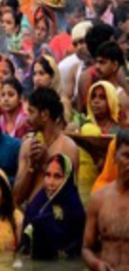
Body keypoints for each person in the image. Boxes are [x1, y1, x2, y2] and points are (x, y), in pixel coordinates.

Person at [14, 86, 80, 207]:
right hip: (29, 217)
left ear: (44, 115)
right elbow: (17, 198)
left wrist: (46, 162)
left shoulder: (68, 147)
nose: (27, 118)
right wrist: (31, 167)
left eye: (31, 112)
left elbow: (68, 197)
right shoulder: (28, 145)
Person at [21, 153, 86, 261]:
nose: (50, 182)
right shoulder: (35, 206)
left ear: (67, 179)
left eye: (57, 176)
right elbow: (23, 250)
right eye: (47, 175)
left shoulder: (76, 211)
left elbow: (78, 252)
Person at [83, 130, 129, 271]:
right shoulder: (99, 199)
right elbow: (86, 248)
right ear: (115, 157)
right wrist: (97, 264)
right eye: (126, 156)